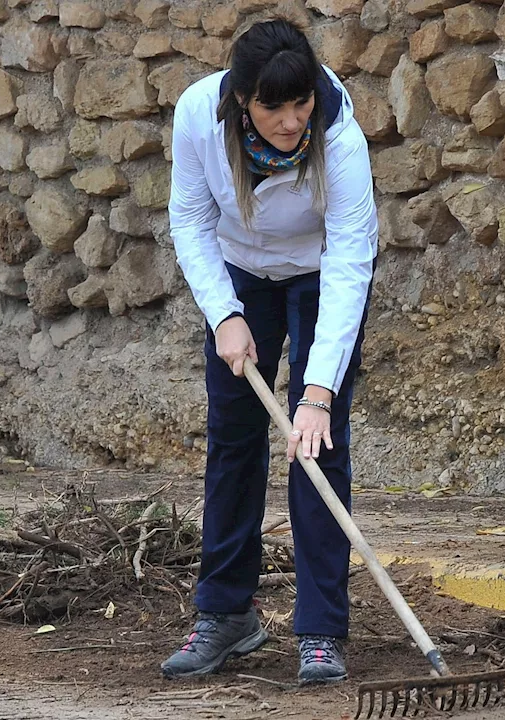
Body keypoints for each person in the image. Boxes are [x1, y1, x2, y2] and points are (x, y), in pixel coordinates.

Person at [160, 18, 378, 686]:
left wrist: (316, 396)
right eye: (273, 107)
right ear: (241, 103)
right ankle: (226, 615)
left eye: (301, 103)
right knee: (234, 439)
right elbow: (191, 220)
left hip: (319, 273)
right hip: (240, 270)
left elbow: (349, 260)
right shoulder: (199, 115)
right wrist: (224, 314)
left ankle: (319, 630)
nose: (291, 122)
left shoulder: (339, 139)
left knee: (318, 445)